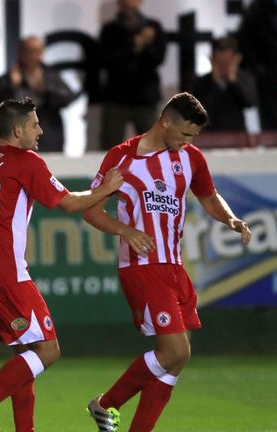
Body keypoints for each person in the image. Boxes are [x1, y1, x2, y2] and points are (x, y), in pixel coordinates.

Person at [0, 97, 124, 432]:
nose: (40, 130)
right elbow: (70, 204)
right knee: (48, 350)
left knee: (27, 354)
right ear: (17, 130)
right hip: (6, 274)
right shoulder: (26, 162)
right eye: (34, 124)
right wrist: (108, 189)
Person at [83, 92, 251, 431]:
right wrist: (125, 230)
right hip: (142, 266)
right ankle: (105, 404)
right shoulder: (122, 158)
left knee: (178, 358)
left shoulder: (190, 158)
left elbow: (208, 195)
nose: (188, 142)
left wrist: (230, 219)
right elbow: (89, 208)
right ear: (166, 122)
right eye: (185, 134)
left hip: (173, 266)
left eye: (193, 137)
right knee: (173, 351)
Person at [0, 36, 76, 152]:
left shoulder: (50, 75)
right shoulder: (10, 77)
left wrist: (45, 89)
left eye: (37, 51)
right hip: (17, 140)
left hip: (48, 138)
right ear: (21, 53)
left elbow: (67, 97)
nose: (33, 56)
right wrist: (10, 87)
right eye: (29, 51)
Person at [98, 0, 166, 149]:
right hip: (116, 98)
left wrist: (146, 45)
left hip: (146, 99)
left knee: (153, 148)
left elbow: (159, 58)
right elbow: (107, 61)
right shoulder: (110, 30)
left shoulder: (153, 27)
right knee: (110, 147)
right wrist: (135, 46)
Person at [237, 0, 277, 131]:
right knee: (273, 128)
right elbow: (244, 40)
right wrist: (259, 69)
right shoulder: (259, 7)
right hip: (271, 77)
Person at [190, 36, 257, 132]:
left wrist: (233, 81)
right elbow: (201, 111)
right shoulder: (200, 83)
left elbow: (250, 102)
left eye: (227, 63)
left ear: (235, 60)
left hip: (237, 136)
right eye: (219, 63)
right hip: (210, 137)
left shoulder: (244, 79)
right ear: (212, 60)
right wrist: (216, 83)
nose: (224, 67)